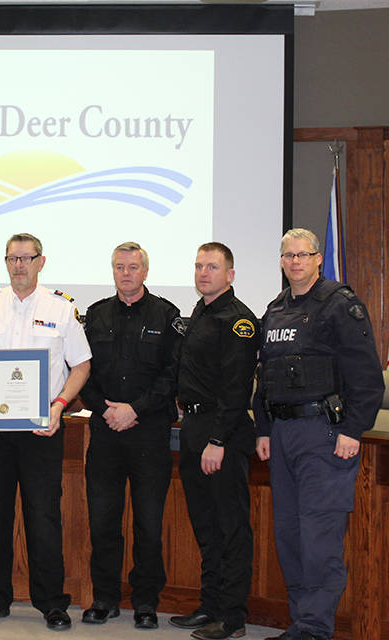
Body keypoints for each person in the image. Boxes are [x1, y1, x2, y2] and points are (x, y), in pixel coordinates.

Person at [0, 232, 92, 631]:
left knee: (44, 515)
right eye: (12, 258)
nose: (19, 265)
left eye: (26, 258)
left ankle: (52, 602)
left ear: (41, 262)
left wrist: (61, 404)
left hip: (41, 431)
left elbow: (81, 364)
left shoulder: (61, 308)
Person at [253, 229, 384, 640]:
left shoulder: (339, 306)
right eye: (288, 256)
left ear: (317, 259)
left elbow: (366, 376)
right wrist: (263, 428)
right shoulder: (275, 310)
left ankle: (314, 628)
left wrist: (353, 429)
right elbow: (265, 376)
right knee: (289, 534)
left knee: (318, 535)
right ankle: (301, 621)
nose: (295, 262)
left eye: (303, 255)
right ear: (280, 261)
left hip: (324, 434)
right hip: (283, 432)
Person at [77, 242, 181, 630]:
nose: (126, 273)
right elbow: (82, 370)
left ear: (145, 271)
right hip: (105, 431)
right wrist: (106, 410)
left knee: (149, 523)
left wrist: (135, 409)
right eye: (119, 266)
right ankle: (104, 598)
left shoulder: (166, 314)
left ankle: (145, 602)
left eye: (133, 267)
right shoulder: (96, 314)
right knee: (103, 521)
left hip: (148, 432)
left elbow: (172, 375)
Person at [170, 242, 261, 640]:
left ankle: (232, 616)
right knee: (205, 526)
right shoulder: (201, 313)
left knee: (230, 528)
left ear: (231, 274)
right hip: (193, 429)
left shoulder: (238, 321)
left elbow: (236, 387)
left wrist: (217, 440)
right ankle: (210, 606)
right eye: (198, 266)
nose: (203, 273)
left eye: (212, 267)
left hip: (220, 433)